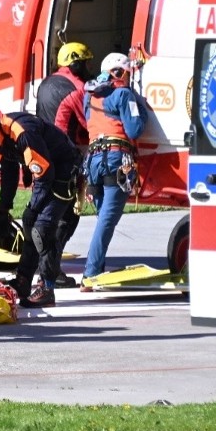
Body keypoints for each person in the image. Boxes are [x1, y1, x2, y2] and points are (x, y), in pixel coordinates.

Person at [0, 100, 82, 307]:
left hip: (63, 170)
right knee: (31, 224)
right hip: (48, 170)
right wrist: (3, 211)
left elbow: (45, 175)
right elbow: (9, 172)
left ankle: (47, 288)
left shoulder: (22, 133)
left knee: (42, 228)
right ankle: (23, 281)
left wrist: (32, 208)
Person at [81, 52, 148, 289]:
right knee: (107, 221)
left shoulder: (88, 97)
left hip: (93, 162)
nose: (129, 78)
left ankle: (96, 267)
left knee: (104, 219)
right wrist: (141, 103)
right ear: (118, 72)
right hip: (117, 159)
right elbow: (135, 130)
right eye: (127, 73)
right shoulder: (123, 94)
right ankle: (90, 272)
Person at [34, 42, 94, 288]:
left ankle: (44, 264)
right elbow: (88, 123)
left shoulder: (45, 84)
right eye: (85, 62)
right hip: (67, 157)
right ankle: (51, 268)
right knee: (67, 216)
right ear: (75, 63)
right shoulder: (78, 88)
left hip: (43, 155)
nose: (88, 68)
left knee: (47, 211)